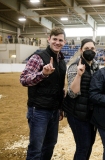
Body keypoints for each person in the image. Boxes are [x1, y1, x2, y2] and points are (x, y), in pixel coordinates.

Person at [20, 27, 67, 160]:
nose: (57, 42)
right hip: (39, 110)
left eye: (60, 40)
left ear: (64, 42)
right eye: (55, 39)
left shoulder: (62, 61)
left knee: (50, 145)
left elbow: (60, 87)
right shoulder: (38, 57)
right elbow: (23, 80)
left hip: (54, 111)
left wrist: (60, 108)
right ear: (49, 39)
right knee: (36, 148)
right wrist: (43, 74)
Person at [62, 38, 99, 160]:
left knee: (89, 145)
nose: (90, 51)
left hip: (89, 113)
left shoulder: (95, 66)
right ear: (80, 50)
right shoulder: (74, 66)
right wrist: (79, 75)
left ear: (96, 50)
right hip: (76, 113)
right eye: (86, 48)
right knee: (83, 146)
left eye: (92, 48)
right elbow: (73, 93)